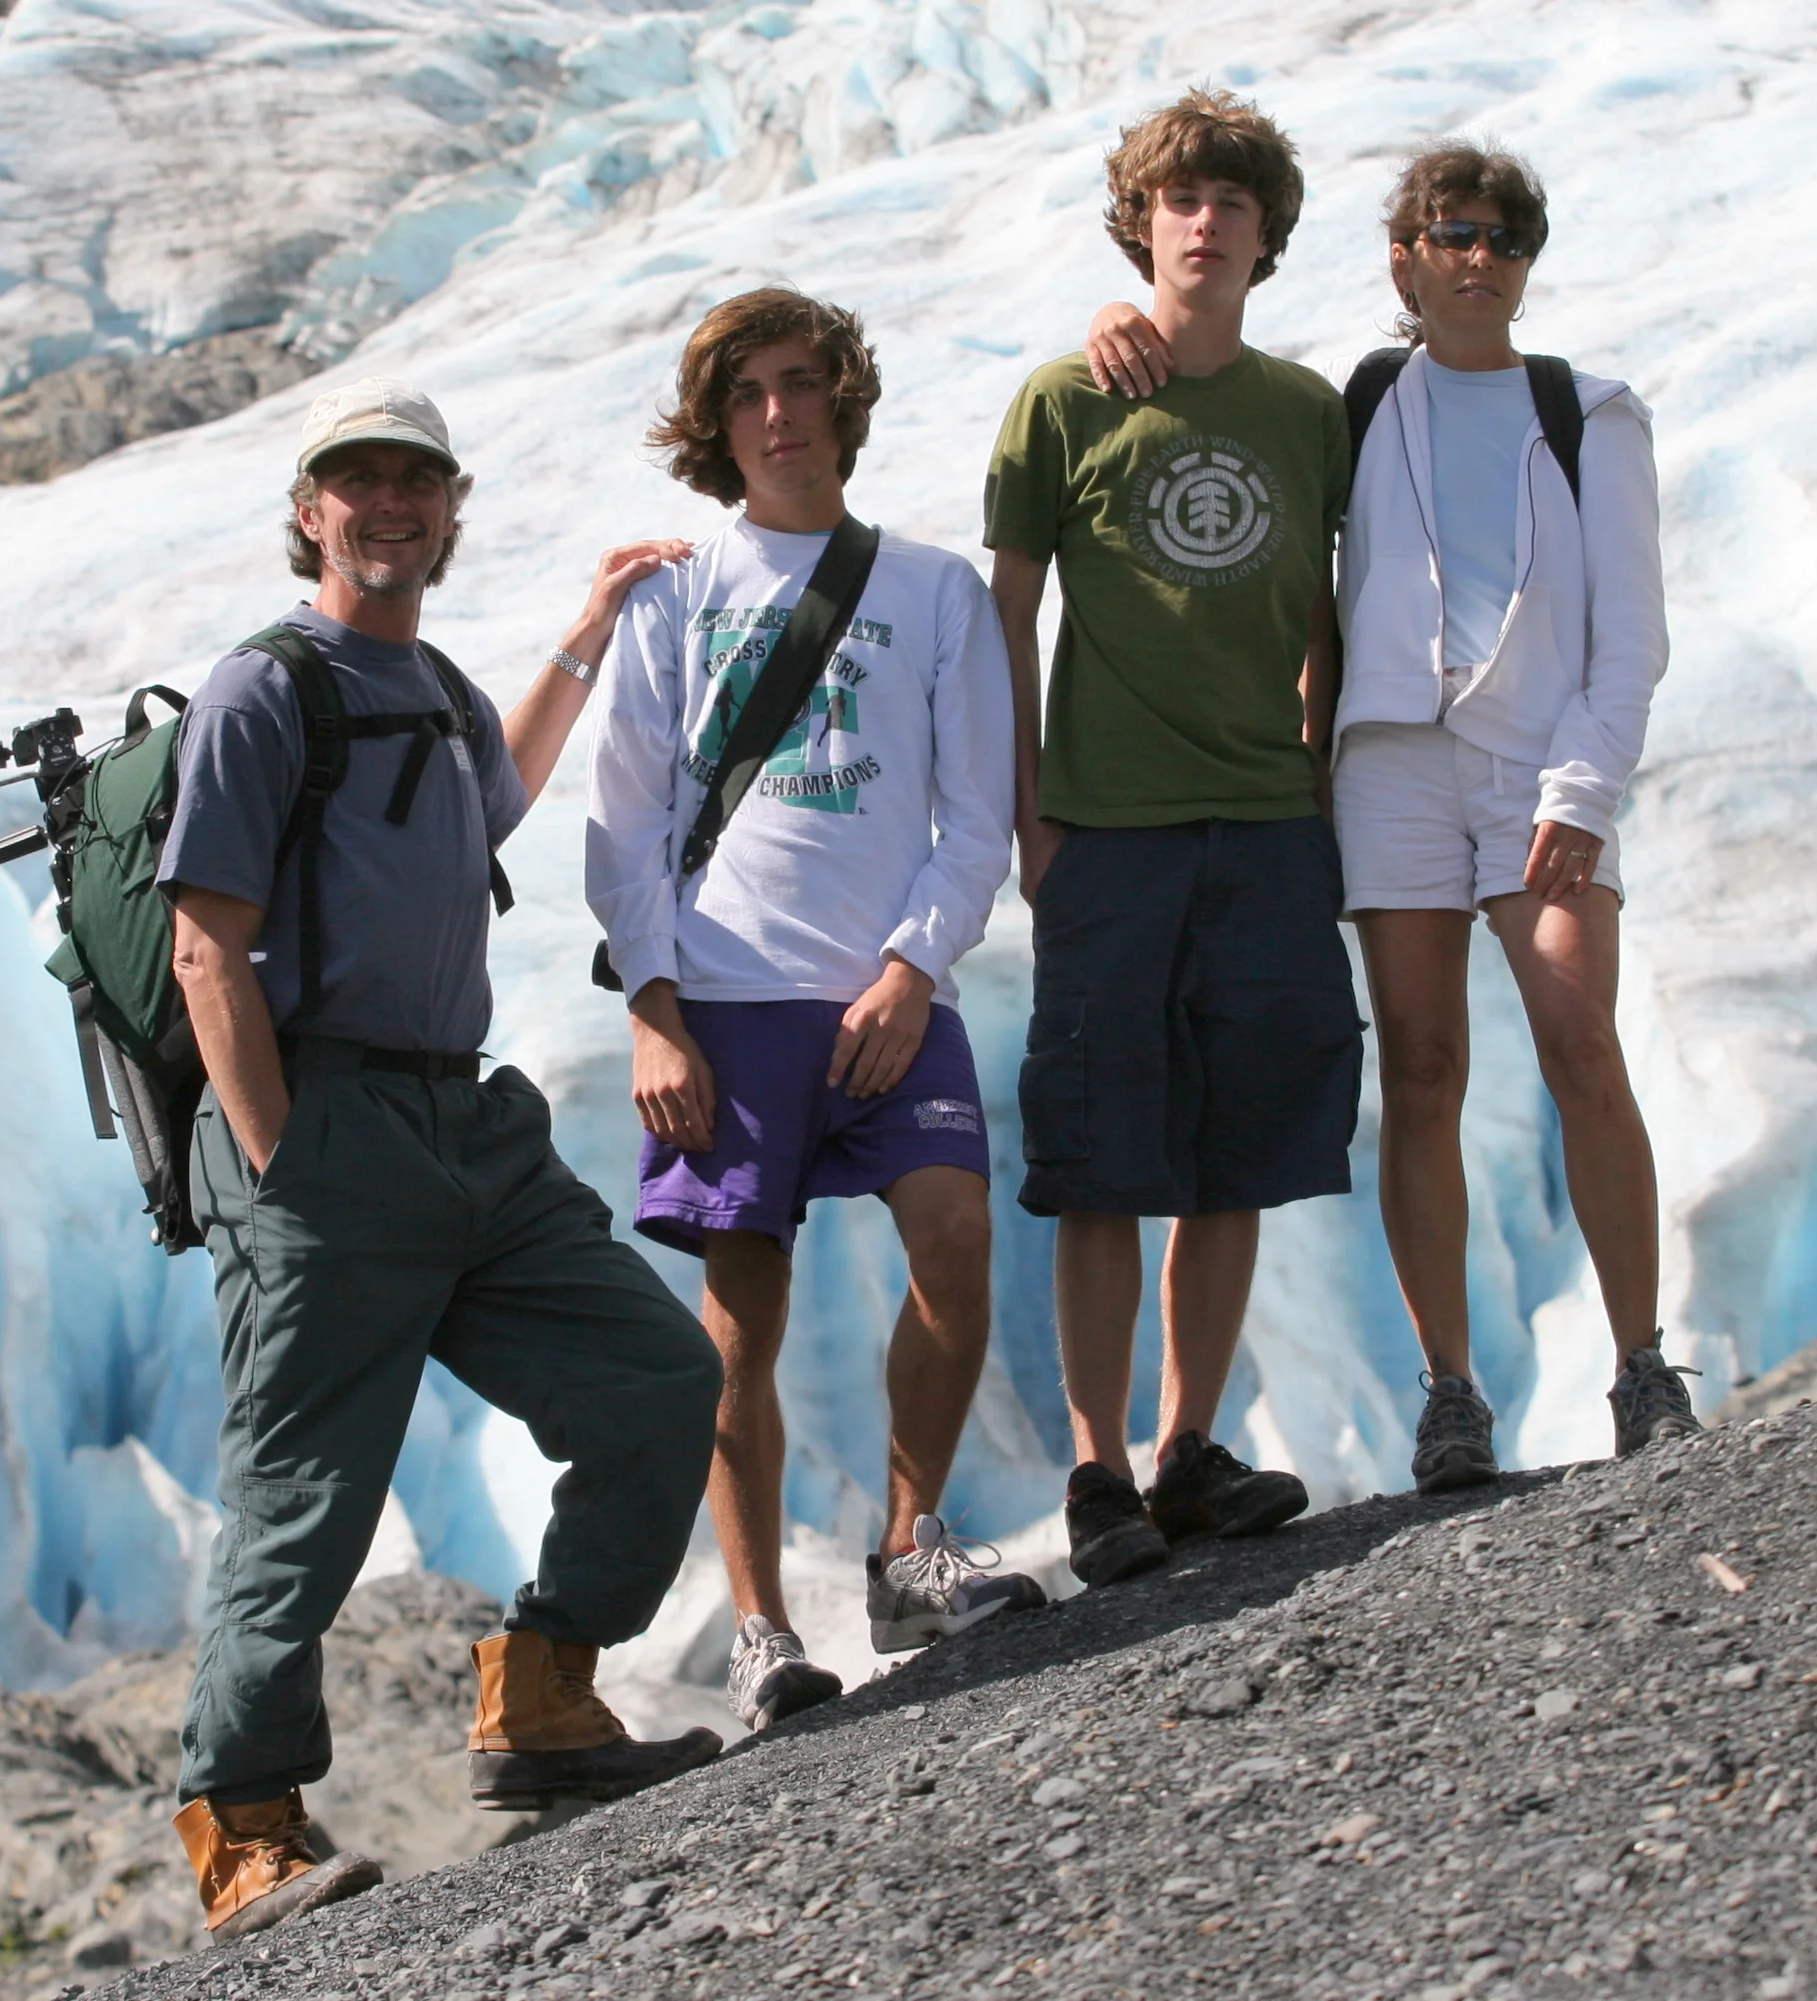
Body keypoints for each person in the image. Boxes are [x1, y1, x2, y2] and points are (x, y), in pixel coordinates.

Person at [158, 377, 724, 1941]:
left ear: (451, 508)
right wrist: (282, 1167)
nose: (388, 504)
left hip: (466, 1129)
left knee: (657, 1382)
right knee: (304, 1498)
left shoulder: (434, 686)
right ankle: (244, 1829)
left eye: (416, 481)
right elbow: (209, 949)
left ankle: (539, 1697)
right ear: (308, 513)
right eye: (357, 482)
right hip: (324, 1125)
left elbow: (498, 793)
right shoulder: (264, 692)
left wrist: (590, 631)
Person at [1083, 143, 1692, 1488]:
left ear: (1527, 263)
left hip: (1542, 769)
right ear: (1403, 260)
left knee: (1581, 1042)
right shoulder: (1353, 406)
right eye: (1452, 235)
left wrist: (1586, 794)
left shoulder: (1592, 413)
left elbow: (1631, 636)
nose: (1479, 259)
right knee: (1420, 1075)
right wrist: (1117, 322)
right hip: (1393, 769)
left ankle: (1644, 1365)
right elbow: (1216, 406)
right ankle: (1451, 1392)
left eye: (1504, 239)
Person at [589, 288, 1044, 1732]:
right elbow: (620, 826)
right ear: (718, 428)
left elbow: (979, 816)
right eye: (749, 396)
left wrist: (914, 968)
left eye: (801, 384)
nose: (780, 415)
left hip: (884, 987)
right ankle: (764, 1634)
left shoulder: (931, 594)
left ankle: (913, 1553)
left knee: (956, 1237)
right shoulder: (678, 596)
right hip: (725, 994)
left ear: (844, 399)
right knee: (739, 1321)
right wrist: (655, 1009)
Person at [980, 88, 1359, 1589]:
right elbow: (1005, 620)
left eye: (1232, 204)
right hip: (1111, 831)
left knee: (1233, 1151)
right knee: (1098, 1161)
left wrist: (1321, 792)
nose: (1205, 222)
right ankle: (1097, 1471)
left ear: (1267, 238)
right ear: (1143, 222)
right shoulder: (1063, 400)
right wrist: (1029, 816)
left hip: (1268, 823)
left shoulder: (1307, 411)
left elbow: (1332, 620)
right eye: (1180, 200)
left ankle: (1190, 1450)